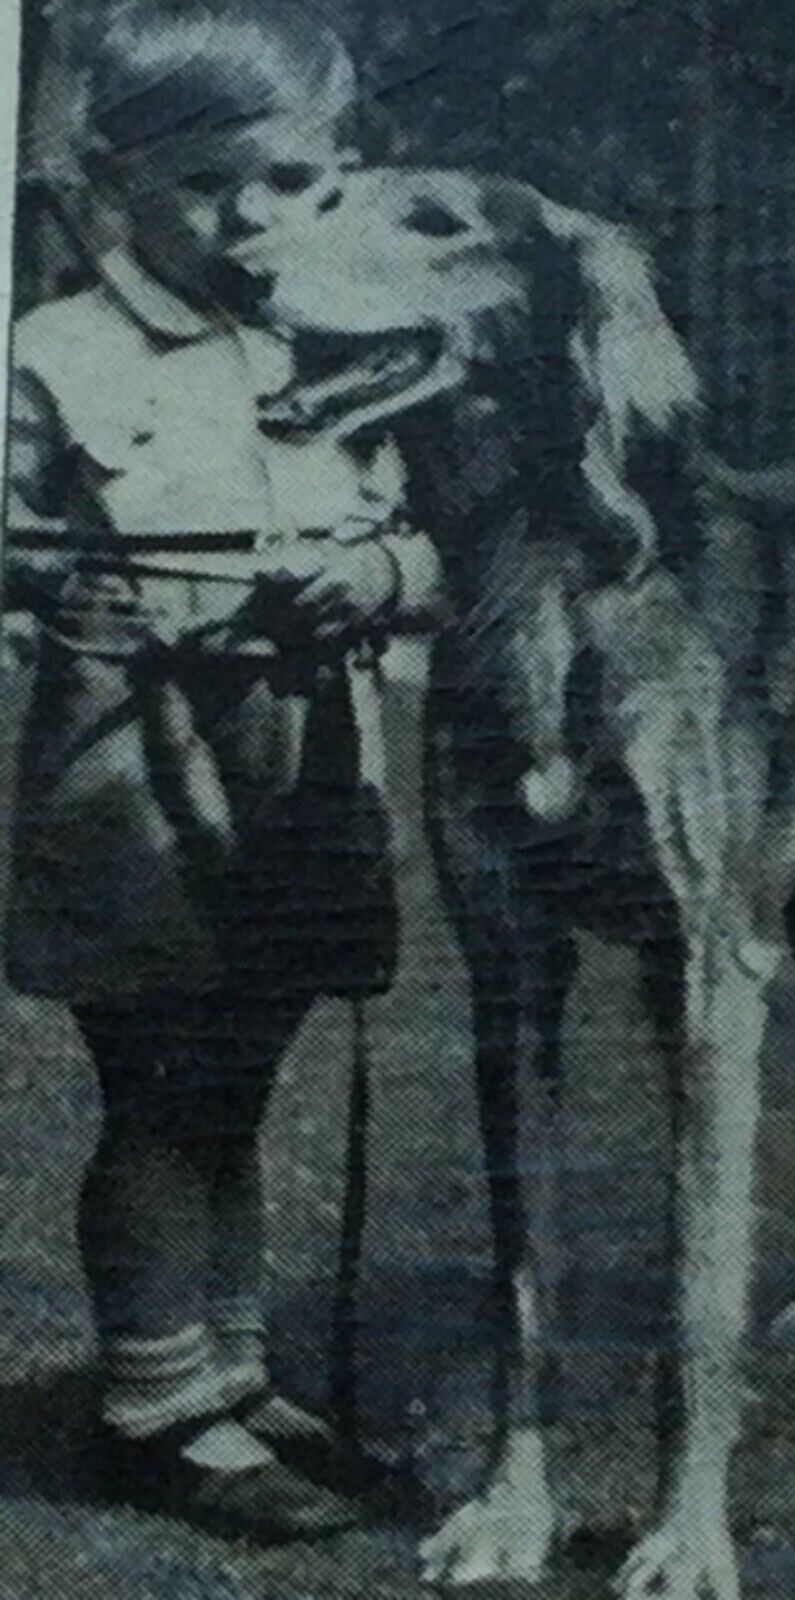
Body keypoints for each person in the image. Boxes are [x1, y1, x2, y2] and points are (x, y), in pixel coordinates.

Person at [3, 0, 433, 1540]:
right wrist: (50, 588)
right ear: (117, 180)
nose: (252, 223)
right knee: (159, 1094)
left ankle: (230, 1382)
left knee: (234, 1092)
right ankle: (149, 1409)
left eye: (292, 184)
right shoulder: (51, 352)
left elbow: (426, 529)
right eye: (206, 186)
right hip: (131, 790)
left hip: (300, 777)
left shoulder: (343, 343)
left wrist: (380, 582)